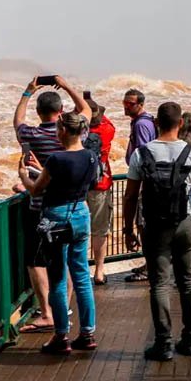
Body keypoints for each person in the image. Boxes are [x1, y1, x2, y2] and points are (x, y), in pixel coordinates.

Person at [123, 102, 191, 361]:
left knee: (160, 284)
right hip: (185, 222)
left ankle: (163, 344)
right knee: (186, 281)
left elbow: (130, 196)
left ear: (156, 123)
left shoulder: (142, 154)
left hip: (153, 225)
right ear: (180, 123)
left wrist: (128, 229)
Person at [17, 111, 99, 355]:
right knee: (82, 276)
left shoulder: (55, 159)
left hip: (56, 218)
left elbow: (35, 190)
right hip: (81, 214)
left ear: (62, 131)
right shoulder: (91, 156)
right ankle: (87, 333)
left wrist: (24, 175)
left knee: (58, 279)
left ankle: (61, 336)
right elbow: (80, 182)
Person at [13, 75, 89, 333]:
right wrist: (66, 84)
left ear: (39, 112)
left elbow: (18, 122)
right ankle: (64, 307)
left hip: (42, 209)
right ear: (60, 112)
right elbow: (86, 110)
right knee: (69, 264)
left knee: (37, 262)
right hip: (76, 209)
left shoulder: (31, 135)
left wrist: (28, 91)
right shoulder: (76, 138)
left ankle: (47, 312)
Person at [85, 98, 115, 285]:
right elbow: (108, 121)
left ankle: (77, 270)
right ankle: (99, 271)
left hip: (77, 186)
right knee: (100, 230)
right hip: (100, 184)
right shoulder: (106, 129)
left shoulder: (74, 131)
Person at [122, 88, 157, 161]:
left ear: (140, 105)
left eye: (130, 104)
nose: (126, 107)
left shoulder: (140, 124)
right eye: (125, 103)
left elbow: (142, 153)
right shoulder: (148, 119)